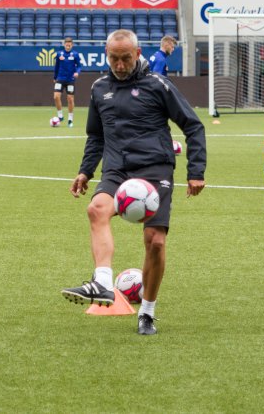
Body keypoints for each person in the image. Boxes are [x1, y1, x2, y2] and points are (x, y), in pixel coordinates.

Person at [61, 29, 207, 335]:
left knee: (155, 241)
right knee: (96, 210)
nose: (120, 64)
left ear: (137, 54)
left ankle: (148, 311)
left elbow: (193, 125)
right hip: (117, 170)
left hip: (155, 170)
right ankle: (102, 282)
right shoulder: (100, 88)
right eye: (113, 58)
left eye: (125, 58)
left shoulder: (158, 84)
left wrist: (196, 170)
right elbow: (96, 136)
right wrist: (85, 171)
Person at [52, 37, 82, 128]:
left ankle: (70, 120)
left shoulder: (75, 54)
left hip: (70, 80)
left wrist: (77, 72)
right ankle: (60, 116)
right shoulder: (59, 54)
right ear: (64, 45)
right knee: (56, 97)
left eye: (69, 45)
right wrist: (55, 77)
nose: (68, 46)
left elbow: (79, 66)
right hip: (60, 78)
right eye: (66, 44)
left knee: (70, 99)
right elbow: (56, 66)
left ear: (72, 45)